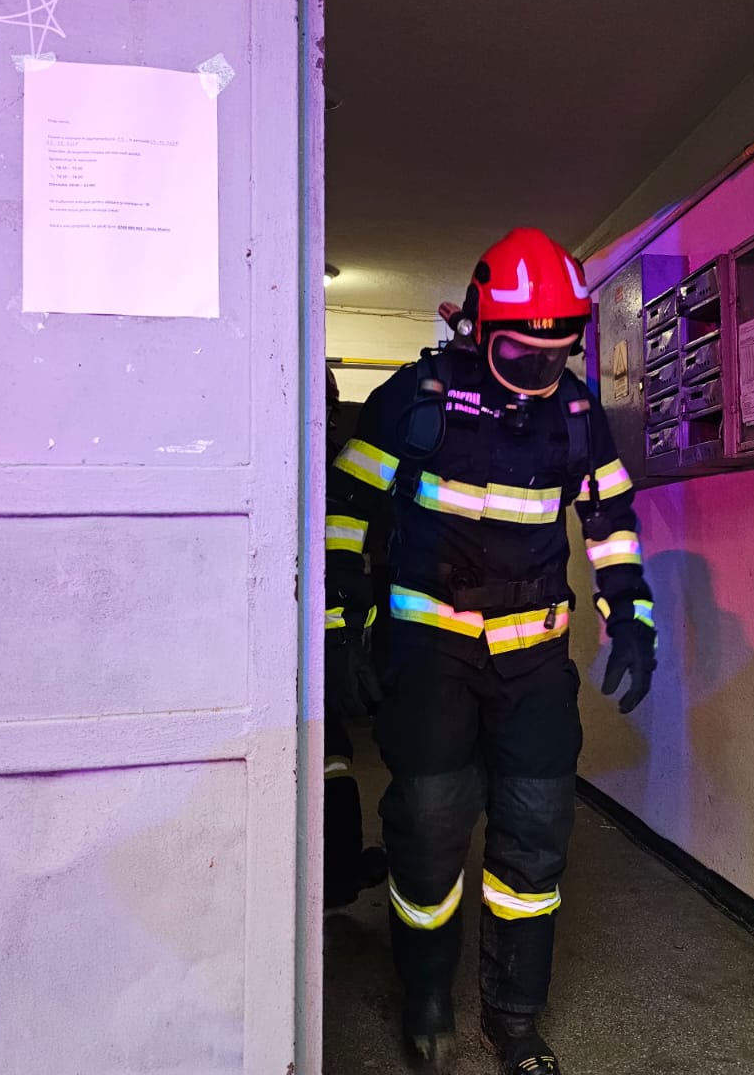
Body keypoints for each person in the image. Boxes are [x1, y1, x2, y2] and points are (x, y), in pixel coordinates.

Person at [324, 228, 657, 1074]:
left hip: (534, 664)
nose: (540, 370)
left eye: (557, 352)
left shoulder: (578, 415)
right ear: (478, 326)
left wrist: (632, 615)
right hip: (430, 656)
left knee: (536, 836)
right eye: (520, 352)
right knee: (430, 826)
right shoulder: (417, 397)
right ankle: (427, 994)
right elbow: (345, 507)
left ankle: (514, 1018)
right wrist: (337, 625)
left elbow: (611, 520)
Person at [324, 365, 389, 911]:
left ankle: (335, 873)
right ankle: (338, 876)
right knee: (331, 754)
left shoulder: (331, 466)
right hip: (316, 640)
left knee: (331, 753)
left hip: (321, 637)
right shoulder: (330, 469)